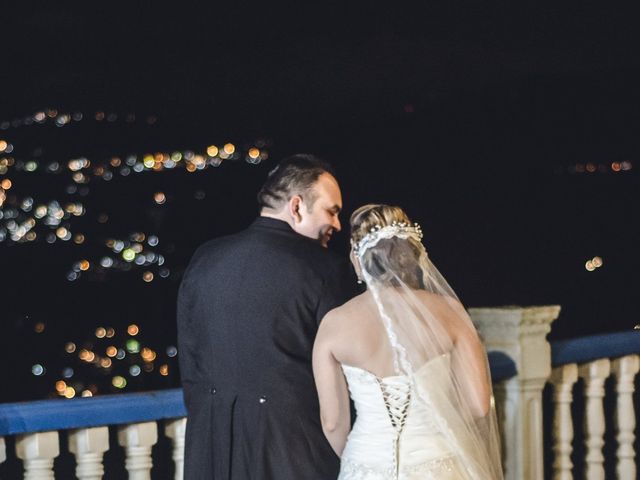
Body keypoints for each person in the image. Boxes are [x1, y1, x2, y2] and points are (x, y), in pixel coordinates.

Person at [177, 154, 357, 479]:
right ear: (297, 206)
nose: (337, 225)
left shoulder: (205, 258)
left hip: (212, 450)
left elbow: (191, 362)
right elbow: (346, 372)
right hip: (296, 454)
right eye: (332, 211)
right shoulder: (327, 270)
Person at [313, 204, 504, 479]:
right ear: (413, 255)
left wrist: (362, 459)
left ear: (359, 258)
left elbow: (332, 423)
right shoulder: (449, 311)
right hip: (438, 461)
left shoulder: (335, 323)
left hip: (366, 462)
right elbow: (478, 405)